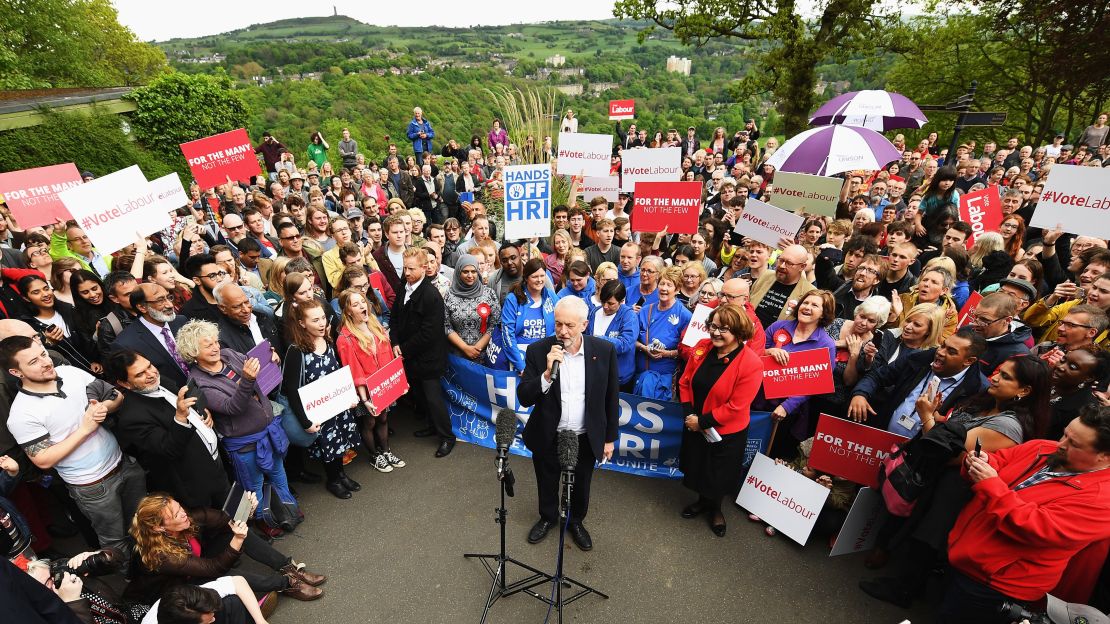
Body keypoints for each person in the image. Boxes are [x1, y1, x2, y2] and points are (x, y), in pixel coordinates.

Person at [938, 405, 1110, 623]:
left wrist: (990, 483)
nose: (1061, 444)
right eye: (1065, 434)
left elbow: (1037, 528)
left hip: (996, 585)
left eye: (1073, 444)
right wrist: (983, 462)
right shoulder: (1043, 447)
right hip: (965, 557)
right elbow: (1003, 460)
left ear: (1104, 456)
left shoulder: (1102, 500)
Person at [0, 335, 138, 549]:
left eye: (43, 354)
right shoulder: (22, 414)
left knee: (145, 524)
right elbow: (43, 460)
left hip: (124, 463)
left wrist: (104, 408)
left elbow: (116, 396)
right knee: (116, 541)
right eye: (33, 362)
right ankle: (131, 577)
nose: (46, 362)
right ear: (16, 372)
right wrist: (85, 429)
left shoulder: (69, 372)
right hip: (92, 486)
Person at [518, 296, 619, 552]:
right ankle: (548, 517)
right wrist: (546, 374)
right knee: (547, 479)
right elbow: (524, 396)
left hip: (585, 435)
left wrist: (609, 438)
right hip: (549, 434)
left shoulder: (604, 351)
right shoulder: (539, 351)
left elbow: (611, 398)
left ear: (584, 324)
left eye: (570, 326)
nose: (563, 332)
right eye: (558, 324)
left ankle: (575, 521)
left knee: (582, 482)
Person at [123, 494, 324, 605]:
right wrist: (236, 541)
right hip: (176, 590)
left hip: (195, 565)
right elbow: (214, 569)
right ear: (159, 527)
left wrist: (248, 512)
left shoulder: (185, 518)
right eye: (176, 514)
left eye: (180, 507)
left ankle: (288, 567)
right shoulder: (160, 556)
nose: (183, 513)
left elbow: (224, 519)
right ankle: (286, 583)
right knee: (229, 573)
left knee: (233, 532)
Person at [106, 349, 229, 511]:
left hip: (216, 464)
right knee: (218, 528)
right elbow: (169, 449)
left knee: (234, 514)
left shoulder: (160, 381)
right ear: (124, 383)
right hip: (196, 484)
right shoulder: (131, 417)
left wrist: (201, 410)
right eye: (140, 374)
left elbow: (187, 399)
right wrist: (180, 417)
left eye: (149, 366)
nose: (151, 374)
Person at [677, 304, 762, 537]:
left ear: (738, 331)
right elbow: (685, 382)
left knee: (718, 472)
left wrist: (701, 422)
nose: (715, 332)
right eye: (713, 326)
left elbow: (737, 406)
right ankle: (702, 501)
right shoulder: (701, 348)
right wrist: (689, 414)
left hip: (726, 431)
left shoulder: (751, 363)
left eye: (723, 328)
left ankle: (715, 509)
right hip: (695, 422)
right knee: (699, 465)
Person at [280, 300, 361, 499]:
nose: (321, 323)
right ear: (301, 323)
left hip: (338, 407)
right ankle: (333, 480)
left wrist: (349, 396)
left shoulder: (328, 338)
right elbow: (291, 390)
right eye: (315, 320)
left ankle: (341, 474)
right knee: (329, 447)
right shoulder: (296, 351)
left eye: (323, 318)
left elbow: (337, 372)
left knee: (340, 443)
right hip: (318, 413)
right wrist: (305, 422)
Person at [849, 328, 989, 433]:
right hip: (882, 437)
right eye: (943, 345)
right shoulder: (917, 359)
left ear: (969, 361)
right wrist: (860, 394)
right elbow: (877, 376)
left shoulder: (977, 389)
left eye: (951, 352)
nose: (940, 352)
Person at [389, 248, 453, 457]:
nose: (406, 273)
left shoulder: (431, 296)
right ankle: (432, 426)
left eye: (411, 269)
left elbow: (429, 334)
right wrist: (395, 341)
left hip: (428, 358)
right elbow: (395, 318)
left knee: (434, 399)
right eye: (405, 268)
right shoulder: (403, 287)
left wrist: (402, 349)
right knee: (421, 396)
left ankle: (446, 437)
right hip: (410, 356)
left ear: (425, 268)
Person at [760, 290, 837, 458]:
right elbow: (753, 353)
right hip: (757, 400)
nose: (807, 307)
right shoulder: (778, 326)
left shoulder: (827, 345)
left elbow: (815, 385)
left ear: (824, 313)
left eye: (814, 305)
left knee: (770, 456)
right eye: (805, 303)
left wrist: (786, 406)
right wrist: (768, 351)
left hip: (787, 412)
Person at [336, 288, 405, 474]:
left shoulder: (376, 325)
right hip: (364, 391)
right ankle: (375, 455)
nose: (362, 306)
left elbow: (389, 356)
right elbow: (353, 370)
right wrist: (365, 400)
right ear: (348, 310)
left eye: (363, 302)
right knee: (369, 423)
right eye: (355, 304)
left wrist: (399, 382)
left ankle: (386, 451)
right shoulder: (345, 338)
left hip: (383, 385)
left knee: (383, 418)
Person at [111, 283, 190, 392]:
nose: (169, 305)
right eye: (160, 300)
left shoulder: (181, 321)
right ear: (142, 307)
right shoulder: (126, 344)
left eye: (169, 297)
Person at [634, 266, 693, 400]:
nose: (664, 288)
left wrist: (668, 354)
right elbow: (631, 339)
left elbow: (690, 350)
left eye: (669, 285)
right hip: (641, 375)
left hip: (665, 380)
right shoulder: (645, 311)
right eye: (662, 283)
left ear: (677, 289)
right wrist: (644, 348)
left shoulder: (685, 316)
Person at [498, 258, 557, 373]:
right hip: (519, 357)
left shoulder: (550, 296)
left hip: (545, 354)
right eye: (535, 277)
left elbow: (559, 325)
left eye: (542, 276)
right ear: (526, 278)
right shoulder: (513, 299)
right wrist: (520, 365)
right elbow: (507, 334)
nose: (539, 280)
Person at [443, 254, 501, 362]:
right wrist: (465, 348)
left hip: (485, 355)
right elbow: (446, 325)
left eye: (473, 271)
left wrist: (478, 347)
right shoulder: (449, 295)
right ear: (458, 272)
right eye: (465, 271)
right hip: (457, 356)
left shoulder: (489, 294)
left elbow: (495, 323)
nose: (470, 275)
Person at [588, 280, 639, 391]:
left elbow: (625, 344)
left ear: (621, 301)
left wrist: (598, 340)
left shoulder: (629, 316)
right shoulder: (594, 312)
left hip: (618, 377)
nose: (605, 306)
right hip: (596, 374)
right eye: (603, 301)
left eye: (611, 303)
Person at [750, 244, 815, 327]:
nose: (782, 266)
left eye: (789, 263)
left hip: (777, 337)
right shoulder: (766, 275)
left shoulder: (809, 292)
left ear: (802, 267)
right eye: (781, 260)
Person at [968, 292, 1031, 375]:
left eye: (984, 321)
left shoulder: (1018, 356)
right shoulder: (967, 331)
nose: (975, 324)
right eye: (975, 317)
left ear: (1007, 320)